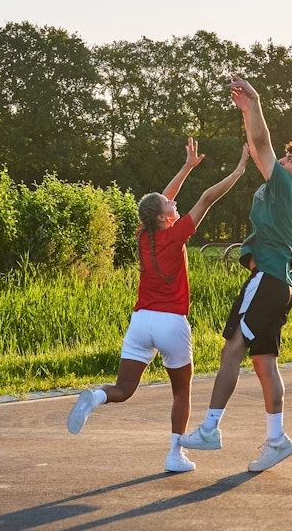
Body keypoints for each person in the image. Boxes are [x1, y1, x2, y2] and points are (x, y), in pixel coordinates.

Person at [67, 137, 250, 473]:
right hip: (171, 324)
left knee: (123, 388)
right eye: (170, 206)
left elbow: (162, 200)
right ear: (164, 217)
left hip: (141, 323)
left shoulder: (143, 234)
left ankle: (96, 397)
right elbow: (207, 198)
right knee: (181, 392)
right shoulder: (175, 233)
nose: (174, 205)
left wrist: (186, 167)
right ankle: (174, 454)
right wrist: (239, 170)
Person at [180, 75, 292, 472]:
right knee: (264, 363)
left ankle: (210, 429)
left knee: (231, 348)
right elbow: (264, 152)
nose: (281, 161)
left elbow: (261, 145)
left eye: (289, 161)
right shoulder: (285, 193)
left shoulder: (288, 189)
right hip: (279, 284)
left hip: (269, 281)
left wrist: (253, 105)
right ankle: (277, 440)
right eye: (284, 158)